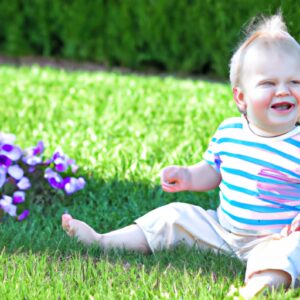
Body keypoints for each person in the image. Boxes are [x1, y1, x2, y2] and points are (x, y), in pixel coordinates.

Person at [62, 14, 300, 299]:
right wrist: (188, 176)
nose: (284, 90)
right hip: (222, 233)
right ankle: (103, 241)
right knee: (173, 216)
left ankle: (258, 286)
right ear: (241, 98)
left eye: (295, 81)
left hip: (275, 238)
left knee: (291, 249)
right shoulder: (230, 132)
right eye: (268, 83)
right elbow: (213, 170)